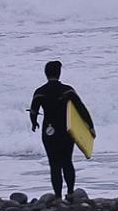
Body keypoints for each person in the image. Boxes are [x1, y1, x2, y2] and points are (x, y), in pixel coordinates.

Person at [28, 60, 94, 199]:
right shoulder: (67, 90)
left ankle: (57, 196)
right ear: (59, 73)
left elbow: (33, 111)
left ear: (46, 74)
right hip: (66, 131)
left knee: (54, 164)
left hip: (49, 130)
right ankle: (70, 192)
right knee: (67, 161)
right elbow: (81, 108)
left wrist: (34, 123)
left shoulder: (40, 92)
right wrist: (90, 126)